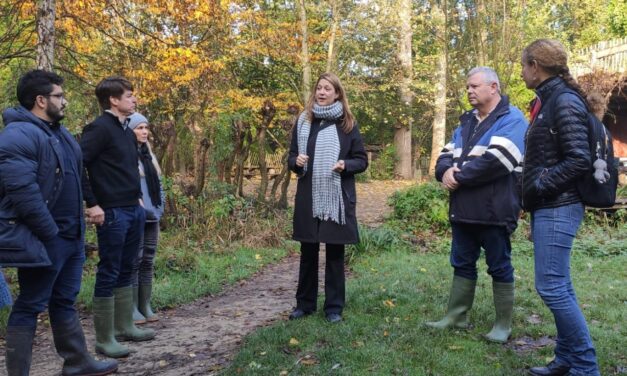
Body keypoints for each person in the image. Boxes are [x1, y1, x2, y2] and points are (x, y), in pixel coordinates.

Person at [0, 69, 117, 375]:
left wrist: (89, 207)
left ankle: (77, 362)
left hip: (71, 235)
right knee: (30, 303)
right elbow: (22, 191)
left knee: (64, 299)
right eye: (59, 96)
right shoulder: (18, 135)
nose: (64, 101)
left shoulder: (59, 132)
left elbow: (77, 175)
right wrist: (49, 233)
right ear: (40, 100)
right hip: (45, 237)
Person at [427, 67, 528, 343]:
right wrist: (445, 172)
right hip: (463, 209)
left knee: (499, 265)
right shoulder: (466, 122)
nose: (469, 91)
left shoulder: (512, 120)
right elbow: (445, 155)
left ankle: (502, 325)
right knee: (461, 262)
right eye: (467, 87)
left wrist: (457, 176)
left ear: (493, 87)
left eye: (474, 86)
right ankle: (456, 316)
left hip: (495, 209)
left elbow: (497, 161)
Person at [521, 39, 600, 376]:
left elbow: (579, 158)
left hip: (560, 205)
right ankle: (567, 358)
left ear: (535, 66)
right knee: (560, 284)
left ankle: (584, 366)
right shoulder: (550, 99)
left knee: (551, 287)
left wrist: (540, 186)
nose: (522, 71)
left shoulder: (563, 101)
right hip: (551, 205)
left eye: (524, 65)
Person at [81, 76, 155, 359]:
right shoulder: (99, 129)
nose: (134, 100)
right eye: (129, 95)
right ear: (113, 100)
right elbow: (79, 164)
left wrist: (137, 198)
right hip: (110, 211)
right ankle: (104, 339)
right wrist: (93, 203)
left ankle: (125, 327)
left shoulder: (126, 130)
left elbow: (124, 168)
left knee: (128, 266)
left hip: (132, 208)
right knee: (109, 269)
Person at [287, 72, 368, 323]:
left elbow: (361, 160)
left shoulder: (347, 124)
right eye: (319, 88)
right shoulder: (303, 122)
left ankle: (333, 308)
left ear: (337, 94)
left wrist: (345, 164)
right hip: (309, 196)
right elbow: (291, 157)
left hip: (337, 198)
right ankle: (305, 304)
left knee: (334, 253)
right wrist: (296, 163)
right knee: (308, 251)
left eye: (327, 89)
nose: (321, 92)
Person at [127, 113, 164, 324]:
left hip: (153, 215)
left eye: (145, 127)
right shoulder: (127, 156)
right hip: (137, 214)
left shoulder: (149, 155)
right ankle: (131, 308)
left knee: (148, 258)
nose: (144, 131)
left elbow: (159, 186)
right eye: (138, 128)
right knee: (135, 259)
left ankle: (145, 304)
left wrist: (160, 209)